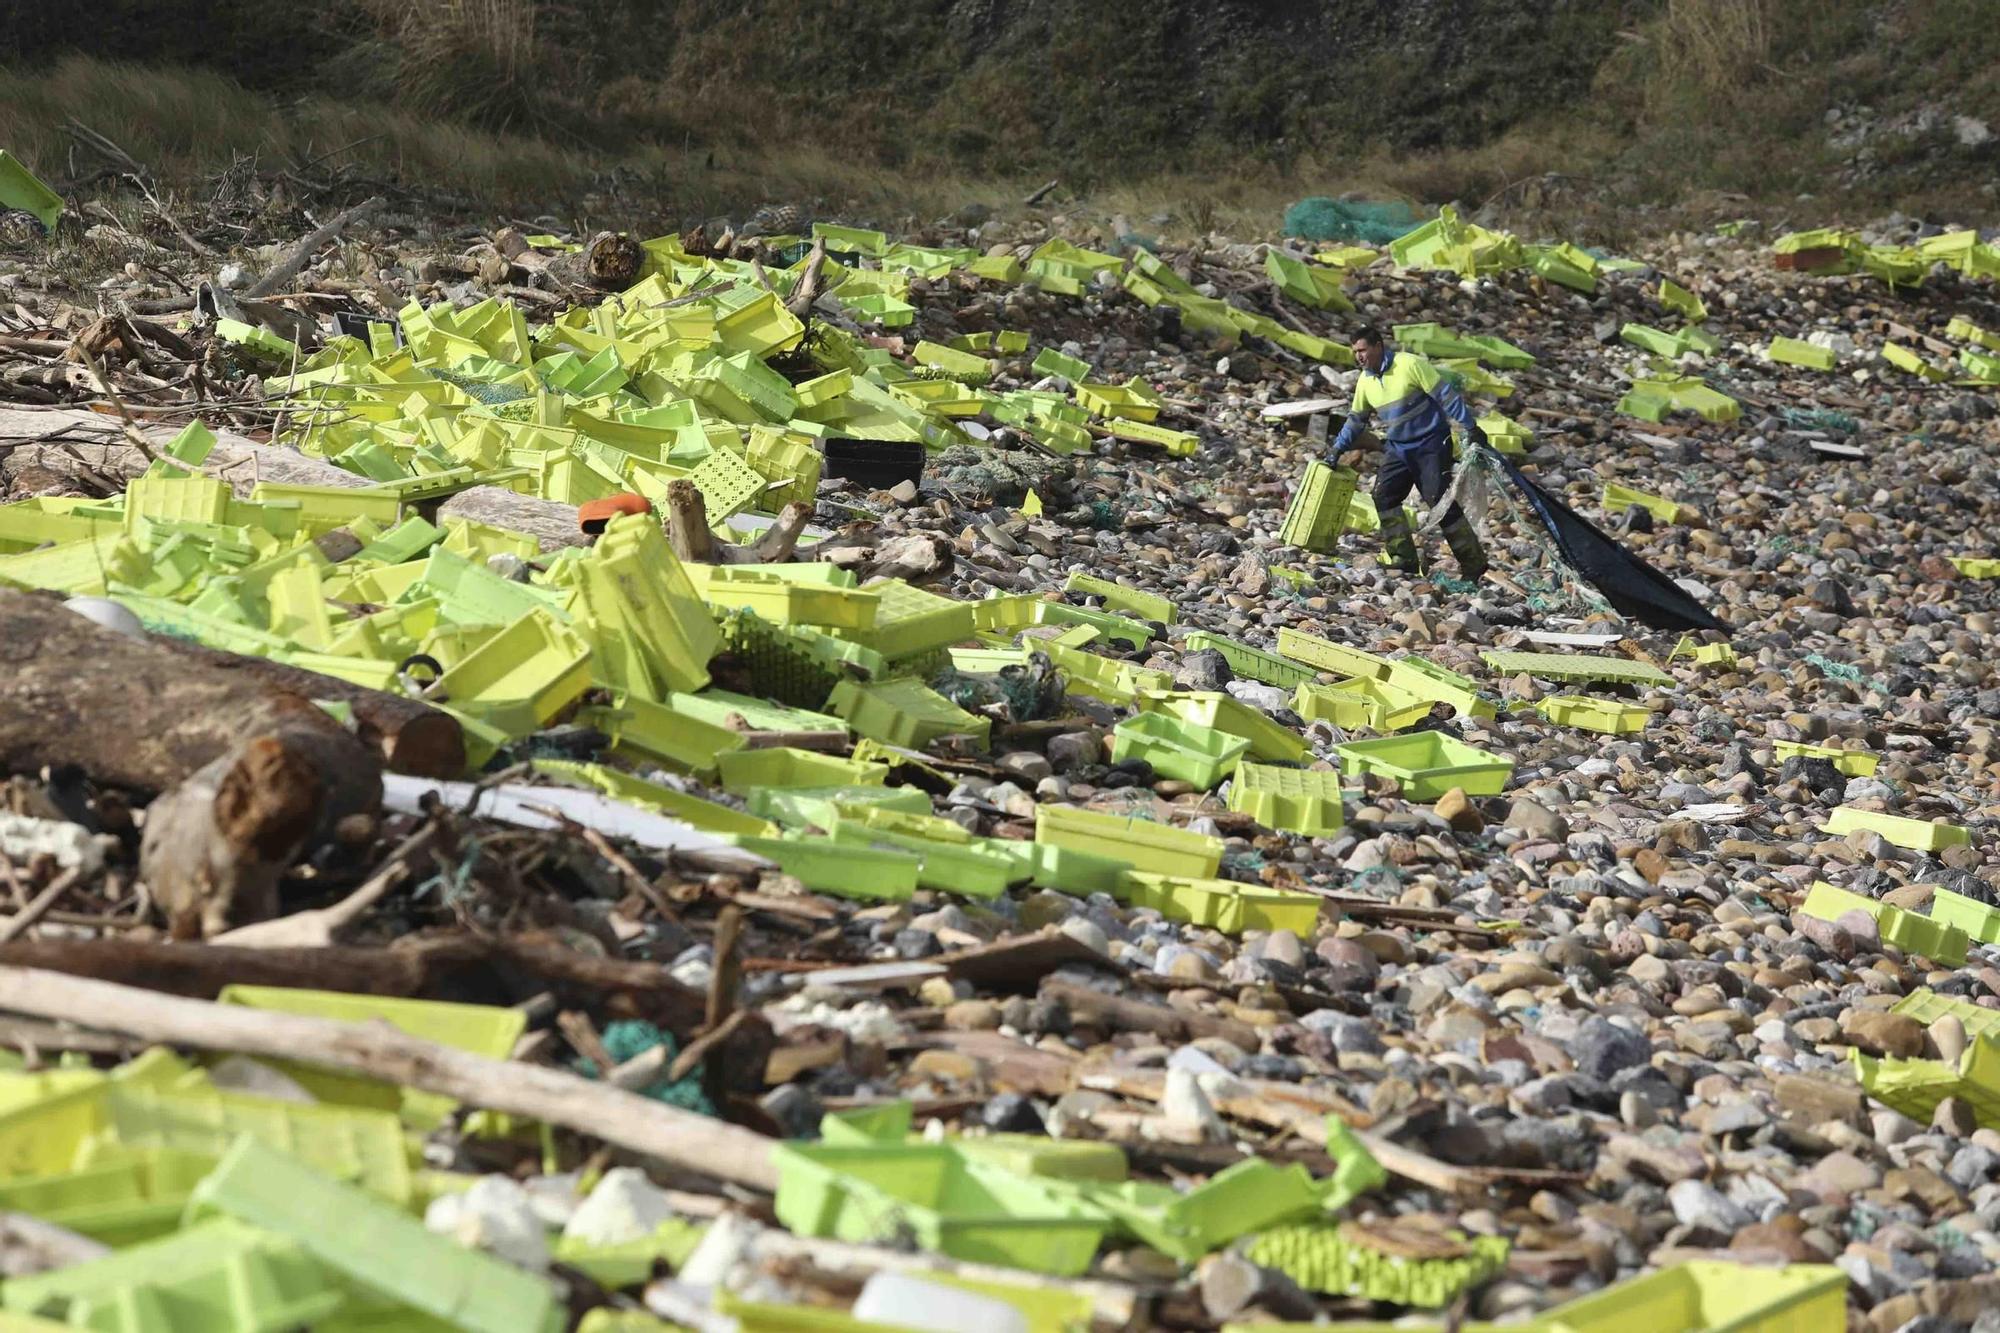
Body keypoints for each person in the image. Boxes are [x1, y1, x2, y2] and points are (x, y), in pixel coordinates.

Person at [1325, 327, 1488, 580]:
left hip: (1431, 444)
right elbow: (1356, 420)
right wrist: (1337, 448)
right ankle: (1404, 558)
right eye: (1355, 352)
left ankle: (1473, 562)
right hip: (1399, 448)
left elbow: (1447, 396)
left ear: (1378, 346)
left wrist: (1470, 426)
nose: (1359, 357)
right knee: (1384, 497)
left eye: (1362, 350)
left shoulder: (1409, 364)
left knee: (1438, 500)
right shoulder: (1365, 381)